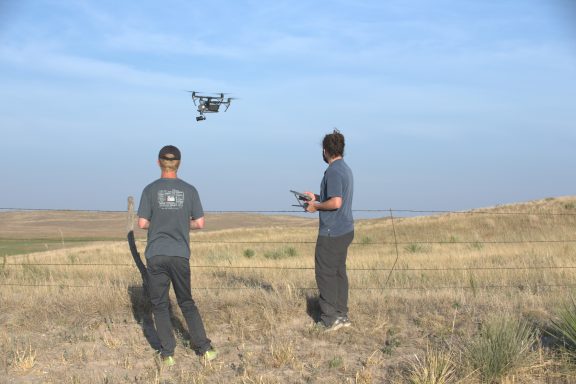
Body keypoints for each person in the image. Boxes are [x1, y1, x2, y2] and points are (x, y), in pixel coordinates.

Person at [137, 145, 217, 366]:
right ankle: (204, 348)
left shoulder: (150, 190)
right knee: (186, 302)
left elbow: (142, 223)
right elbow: (200, 223)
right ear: (179, 164)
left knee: (160, 304)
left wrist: (159, 223)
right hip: (180, 254)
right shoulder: (190, 190)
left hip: (156, 254)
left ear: (158, 163)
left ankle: (167, 354)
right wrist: (181, 223)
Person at [304, 129, 354, 331]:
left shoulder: (333, 171)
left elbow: (335, 202)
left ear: (325, 151)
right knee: (339, 272)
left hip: (332, 231)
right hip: (345, 229)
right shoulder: (345, 169)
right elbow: (334, 197)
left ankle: (329, 319)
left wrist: (315, 206)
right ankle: (342, 315)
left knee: (325, 273)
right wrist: (316, 197)